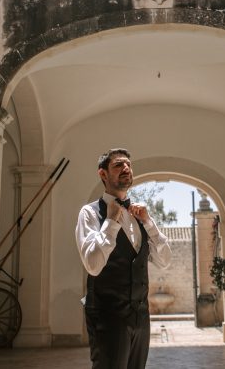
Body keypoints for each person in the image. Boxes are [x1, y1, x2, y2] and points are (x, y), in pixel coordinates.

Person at [75, 148, 172, 369]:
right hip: (107, 316)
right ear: (103, 174)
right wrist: (110, 222)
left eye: (128, 164)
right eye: (118, 165)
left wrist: (149, 223)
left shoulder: (140, 216)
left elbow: (165, 261)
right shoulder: (89, 214)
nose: (126, 168)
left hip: (140, 316)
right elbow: (93, 265)